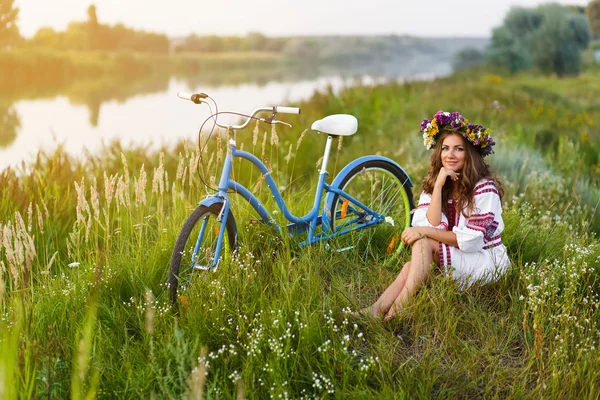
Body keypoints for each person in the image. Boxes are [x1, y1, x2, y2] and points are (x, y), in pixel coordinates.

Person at [360, 110, 510, 320]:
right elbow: (434, 224)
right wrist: (439, 186)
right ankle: (377, 309)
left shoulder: (484, 189)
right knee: (410, 265)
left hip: (484, 260)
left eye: (459, 149)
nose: (450, 154)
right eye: (445, 148)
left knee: (423, 242)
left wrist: (422, 231)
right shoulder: (439, 183)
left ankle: (397, 310)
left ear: (470, 154)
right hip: (463, 255)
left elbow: (472, 241)